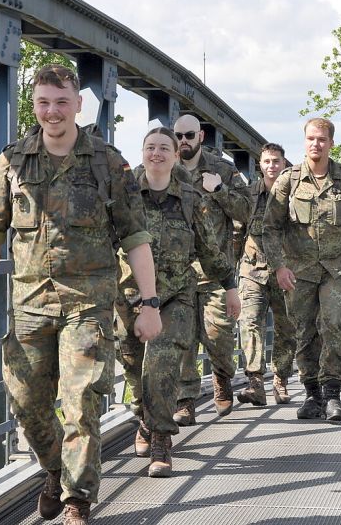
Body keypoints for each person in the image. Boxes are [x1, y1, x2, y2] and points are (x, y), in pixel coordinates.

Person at [0, 64, 162, 525]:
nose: (52, 112)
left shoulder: (108, 163)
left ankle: (78, 499)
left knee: (82, 403)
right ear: (34, 106)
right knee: (26, 402)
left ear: (78, 104)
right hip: (30, 304)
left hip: (89, 304)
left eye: (61, 102)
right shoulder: (12, 161)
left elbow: (135, 237)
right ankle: (53, 470)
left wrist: (149, 303)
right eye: (43, 103)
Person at [115, 127, 240, 478]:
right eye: (150, 147)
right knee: (134, 369)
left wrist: (229, 285)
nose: (157, 153)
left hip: (176, 296)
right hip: (128, 295)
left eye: (164, 148)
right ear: (142, 152)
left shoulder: (189, 196)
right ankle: (144, 417)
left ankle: (161, 441)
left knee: (163, 366)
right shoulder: (122, 193)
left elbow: (208, 246)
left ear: (174, 155)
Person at [263, 117, 341, 421]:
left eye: (321, 139)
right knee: (304, 331)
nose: (316, 144)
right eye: (311, 139)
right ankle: (312, 394)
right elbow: (270, 228)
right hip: (299, 270)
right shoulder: (288, 181)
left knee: (333, 324)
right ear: (304, 142)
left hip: (337, 270)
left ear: (331, 143)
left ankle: (332, 395)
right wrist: (278, 266)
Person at [171, 115, 251, 424]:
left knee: (218, 336)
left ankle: (222, 375)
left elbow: (247, 210)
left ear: (201, 136)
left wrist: (219, 191)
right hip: (177, 273)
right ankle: (185, 400)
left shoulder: (223, 169)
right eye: (178, 135)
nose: (183, 141)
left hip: (215, 272)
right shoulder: (166, 169)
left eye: (189, 134)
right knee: (183, 340)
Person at [236, 143, 297, 405]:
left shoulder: (296, 194)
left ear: (284, 164)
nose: (271, 166)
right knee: (249, 322)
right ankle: (255, 382)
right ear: (259, 165)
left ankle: (281, 380)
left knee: (287, 329)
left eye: (276, 161)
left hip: (286, 271)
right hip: (253, 270)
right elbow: (236, 230)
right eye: (266, 161)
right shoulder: (249, 195)